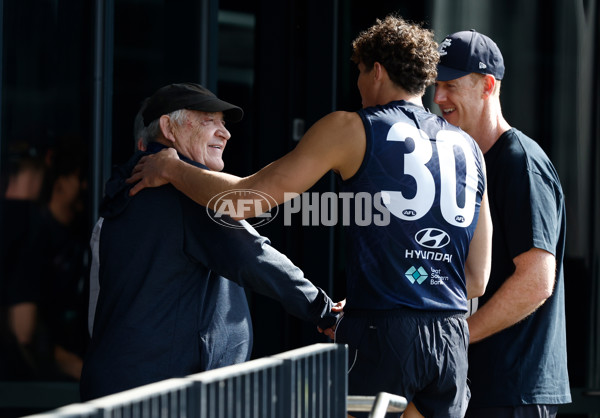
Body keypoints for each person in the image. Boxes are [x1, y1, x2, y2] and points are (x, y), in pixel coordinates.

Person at [127, 16, 493, 418]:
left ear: (377, 70)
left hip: (382, 335)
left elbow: (243, 201)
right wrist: (406, 282)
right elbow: (475, 277)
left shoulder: (351, 127)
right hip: (450, 338)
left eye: (358, 72)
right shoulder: (470, 150)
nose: (357, 85)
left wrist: (173, 169)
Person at [79, 82, 339, 401]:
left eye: (224, 124)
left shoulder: (125, 191)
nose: (225, 133)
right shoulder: (184, 191)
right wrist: (326, 312)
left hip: (121, 390)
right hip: (163, 397)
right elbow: (253, 257)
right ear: (167, 128)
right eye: (209, 121)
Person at [433, 30, 571, 417]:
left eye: (450, 85)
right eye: (436, 85)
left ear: (487, 86)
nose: (439, 97)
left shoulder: (520, 164)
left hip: (514, 393)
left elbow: (536, 281)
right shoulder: (465, 164)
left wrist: (458, 338)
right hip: (475, 386)